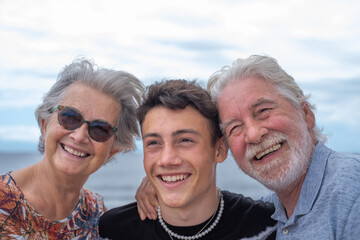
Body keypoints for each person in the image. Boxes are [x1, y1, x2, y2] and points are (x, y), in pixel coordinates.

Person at [136, 55, 360, 239]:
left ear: (306, 114)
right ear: (224, 148)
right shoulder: (269, 213)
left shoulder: (351, 190)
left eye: (263, 111)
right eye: (235, 127)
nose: (253, 134)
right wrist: (168, 180)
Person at [99, 79, 277, 239]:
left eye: (185, 140)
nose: (166, 160)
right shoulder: (113, 230)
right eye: (154, 142)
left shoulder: (268, 226)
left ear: (220, 150)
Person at [0, 58, 144, 239]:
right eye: (69, 117)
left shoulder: (97, 214)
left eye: (100, 129)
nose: (79, 136)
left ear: (112, 151)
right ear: (45, 126)